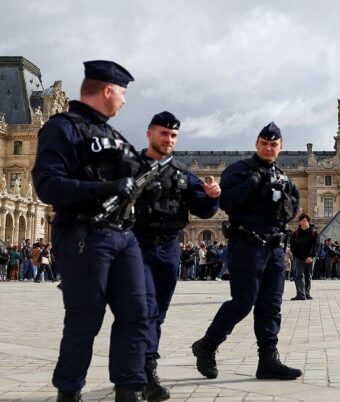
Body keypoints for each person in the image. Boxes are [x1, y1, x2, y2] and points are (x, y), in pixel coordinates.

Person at [32, 60, 149, 402]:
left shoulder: (114, 136)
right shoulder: (62, 128)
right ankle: (69, 392)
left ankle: (128, 390)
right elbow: (48, 185)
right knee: (85, 317)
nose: (125, 101)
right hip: (85, 233)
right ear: (108, 91)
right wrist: (106, 187)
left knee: (136, 312)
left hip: (123, 236)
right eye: (123, 93)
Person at [192, 122, 301, 381]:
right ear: (257, 144)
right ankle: (207, 345)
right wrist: (251, 183)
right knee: (242, 302)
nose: (268, 147)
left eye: (274, 144)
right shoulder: (238, 170)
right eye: (264, 143)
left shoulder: (284, 178)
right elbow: (225, 202)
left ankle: (268, 360)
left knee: (271, 306)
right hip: (247, 245)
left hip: (274, 248)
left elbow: (292, 209)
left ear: (280, 147)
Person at [132, 111, 221, 400]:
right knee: (145, 311)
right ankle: (146, 372)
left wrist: (212, 195)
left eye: (173, 135)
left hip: (169, 249)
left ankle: (144, 369)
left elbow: (204, 211)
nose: (168, 139)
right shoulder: (130, 167)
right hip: (137, 247)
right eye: (163, 133)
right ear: (149, 133)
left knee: (157, 312)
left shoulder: (183, 174)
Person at [289, 213, 318, 300]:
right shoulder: (296, 233)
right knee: (298, 276)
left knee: (308, 276)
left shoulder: (314, 233)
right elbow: (292, 246)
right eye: (301, 221)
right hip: (299, 258)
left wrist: (311, 256)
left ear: (308, 221)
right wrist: (296, 255)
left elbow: (316, 246)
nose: (302, 222)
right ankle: (300, 294)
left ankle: (307, 293)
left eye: (304, 221)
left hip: (310, 258)